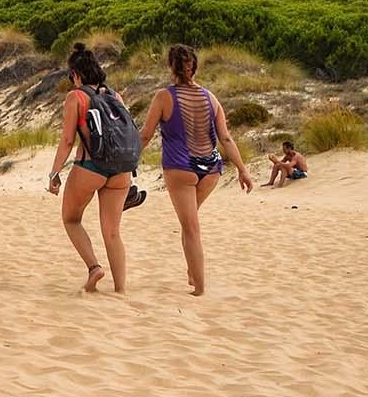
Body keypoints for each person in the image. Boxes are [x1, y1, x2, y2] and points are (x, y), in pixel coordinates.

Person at [139, 44, 254, 296]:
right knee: (188, 222)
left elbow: (146, 135)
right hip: (211, 169)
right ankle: (193, 273)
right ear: (194, 67)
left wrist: (127, 160)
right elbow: (226, 138)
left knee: (190, 227)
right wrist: (242, 170)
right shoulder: (211, 98)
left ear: (172, 67)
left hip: (181, 167)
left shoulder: (163, 97)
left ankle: (199, 288)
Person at [47, 44, 139, 293]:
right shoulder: (115, 96)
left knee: (71, 219)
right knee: (112, 232)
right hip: (121, 170)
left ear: (76, 74)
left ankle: (94, 268)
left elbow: (67, 140)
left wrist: (54, 173)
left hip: (90, 166)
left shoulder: (76, 97)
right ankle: (120, 290)